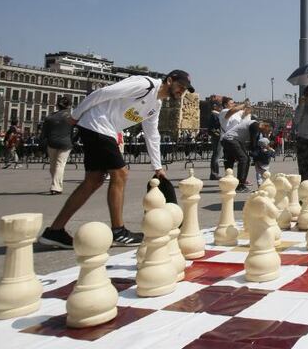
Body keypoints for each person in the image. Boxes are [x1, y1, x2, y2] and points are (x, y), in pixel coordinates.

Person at [38, 69, 193, 249]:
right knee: (120, 174)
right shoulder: (145, 84)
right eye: (180, 86)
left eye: (185, 89)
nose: (181, 91)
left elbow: (152, 134)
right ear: (169, 80)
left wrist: (158, 167)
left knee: (93, 180)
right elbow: (103, 93)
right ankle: (118, 231)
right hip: (98, 124)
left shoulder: (155, 105)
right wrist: (75, 115)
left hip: (102, 129)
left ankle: (55, 231)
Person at [42, 95, 74, 195]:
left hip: (52, 143)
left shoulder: (50, 117)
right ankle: (56, 186)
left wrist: (42, 143)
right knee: (60, 165)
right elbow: (78, 130)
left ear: (57, 105)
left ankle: (56, 186)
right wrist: (73, 139)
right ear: (69, 106)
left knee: (52, 166)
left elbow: (44, 133)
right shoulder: (71, 117)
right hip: (66, 143)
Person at [220, 96, 254, 191]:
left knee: (229, 161)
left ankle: (229, 182)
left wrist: (248, 106)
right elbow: (233, 110)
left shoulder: (238, 113)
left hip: (235, 139)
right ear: (226, 105)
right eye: (232, 103)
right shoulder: (224, 112)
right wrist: (244, 104)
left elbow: (246, 113)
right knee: (244, 159)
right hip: (230, 138)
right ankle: (241, 184)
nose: (234, 104)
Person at [206, 97, 222, 180]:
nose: (221, 108)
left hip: (215, 136)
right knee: (216, 155)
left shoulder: (214, 115)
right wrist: (218, 134)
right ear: (215, 106)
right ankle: (214, 173)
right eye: (220, 106)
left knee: (216, 155)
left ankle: (214, 173)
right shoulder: (215, 115)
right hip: (216, 137)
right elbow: (213, 128)